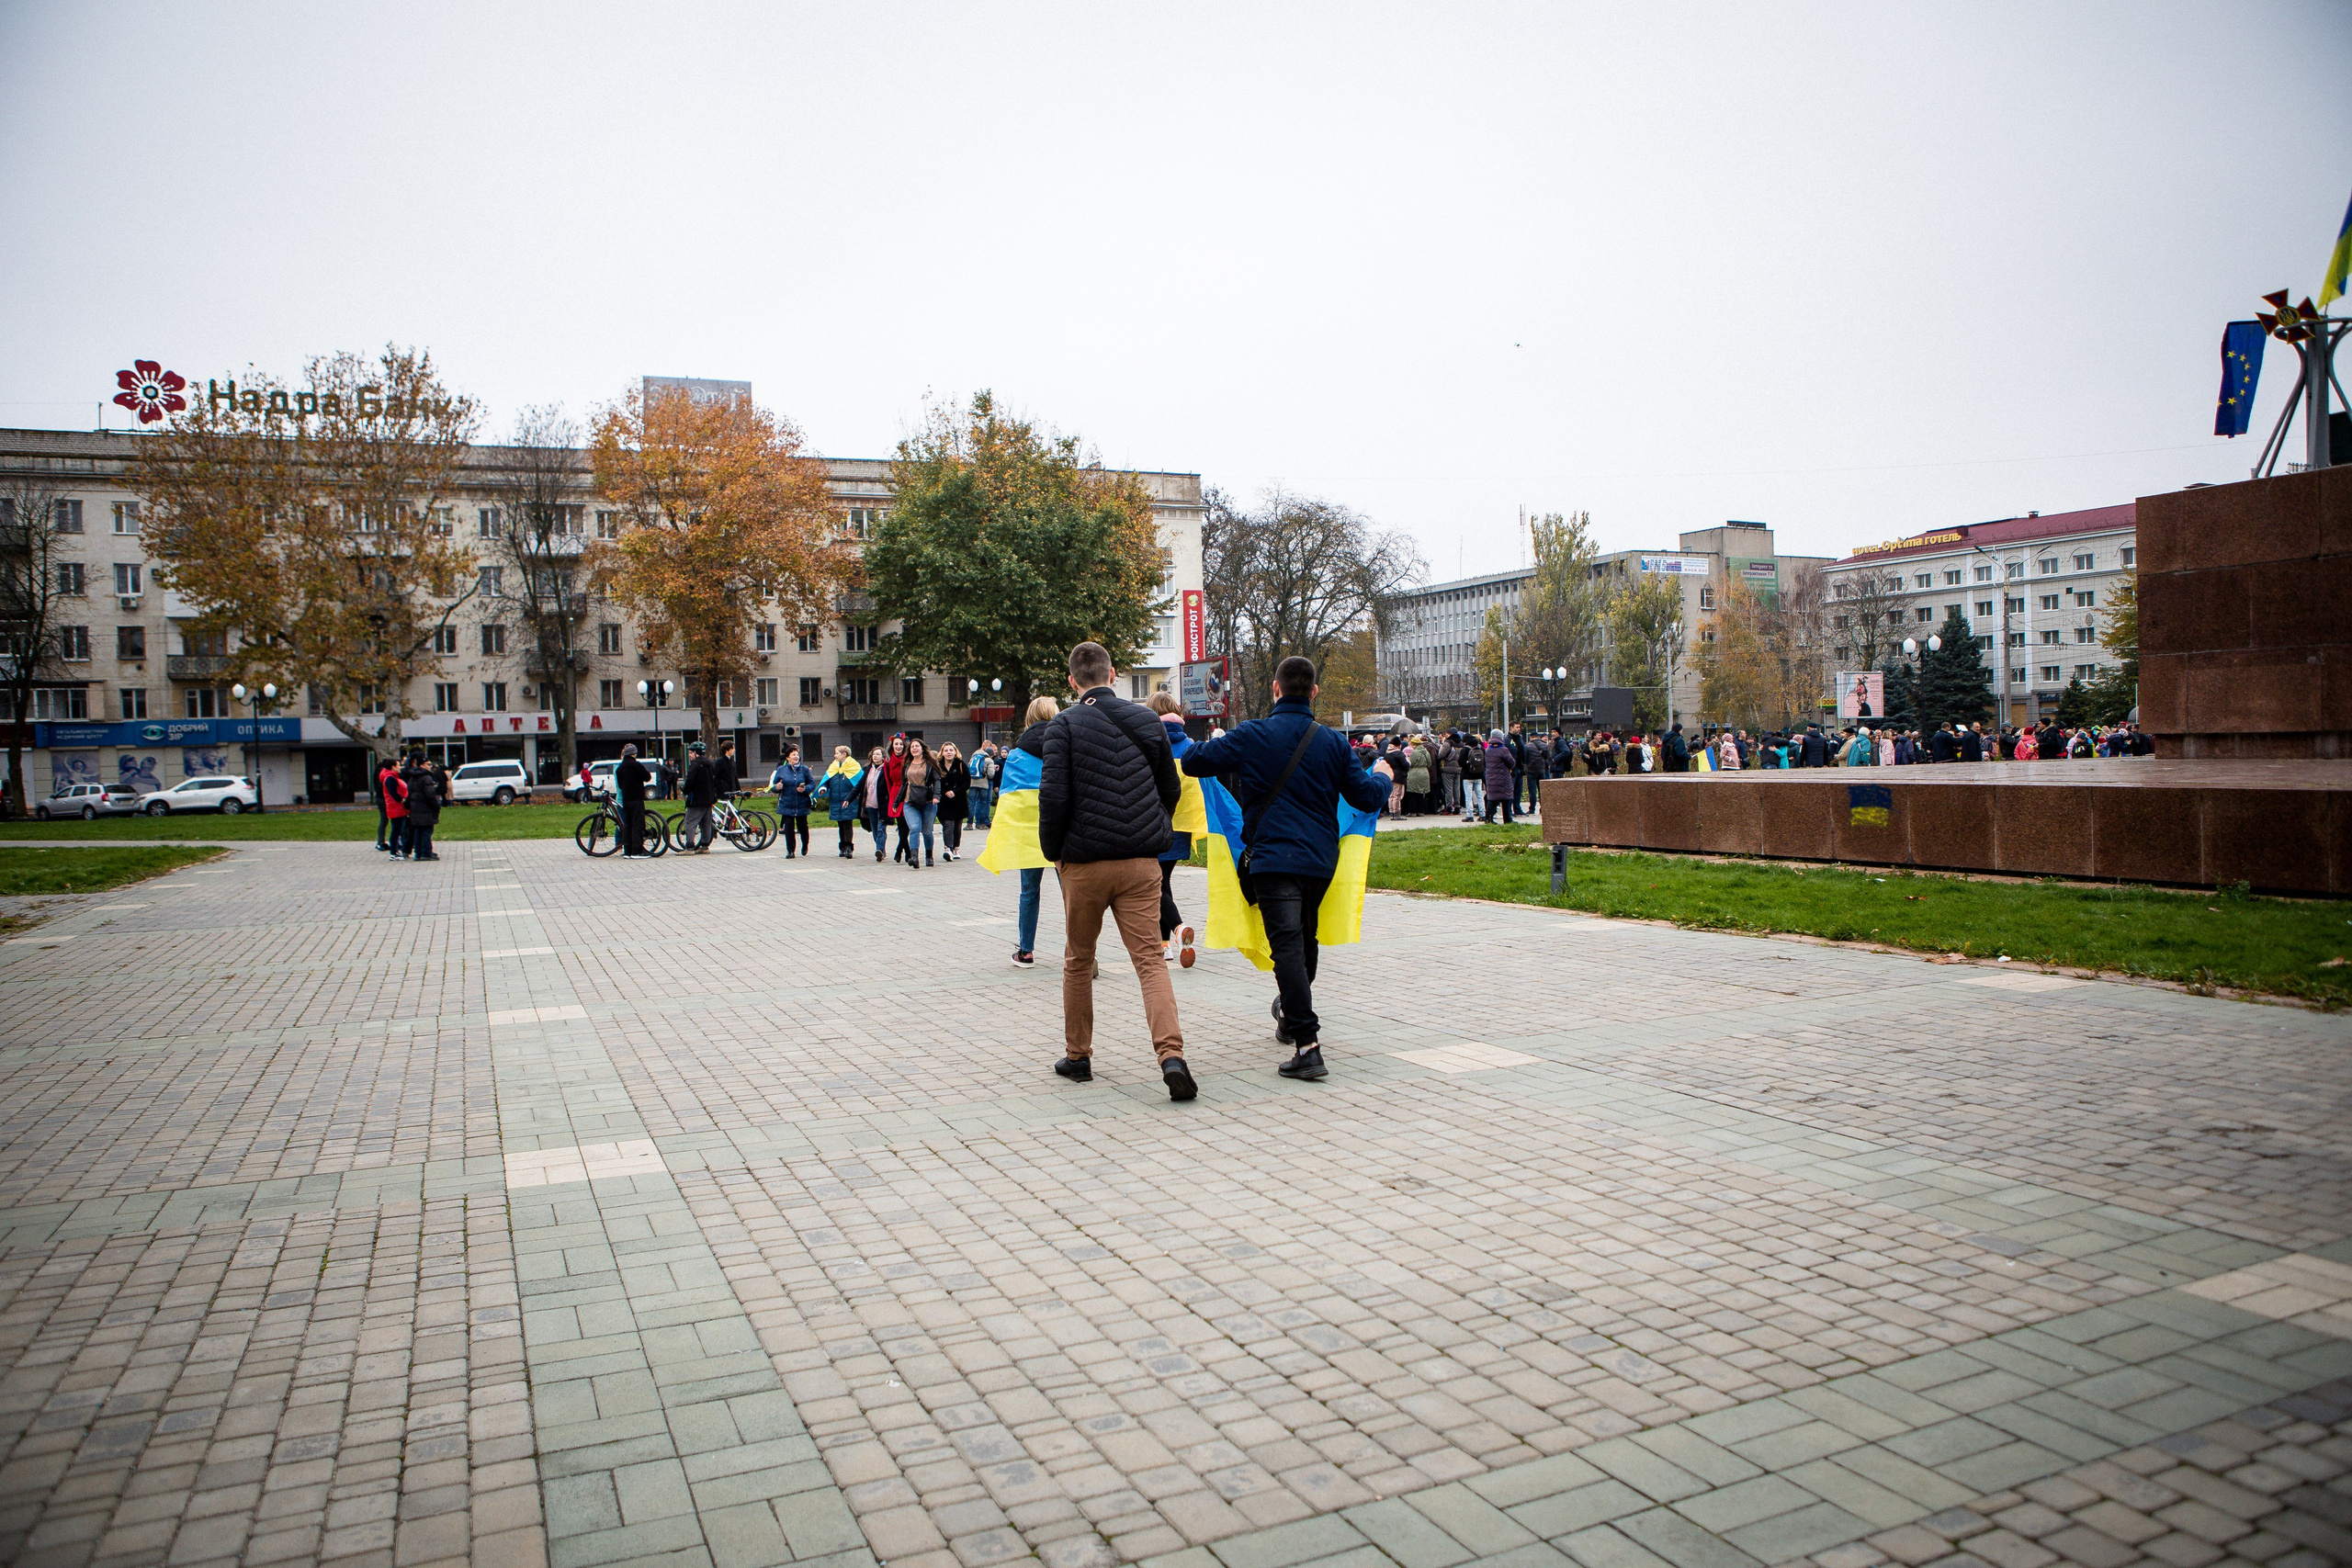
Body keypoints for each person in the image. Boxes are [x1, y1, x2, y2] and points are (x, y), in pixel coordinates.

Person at [1182, 656, 1392, 1083]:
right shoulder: (1333, 743)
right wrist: (1385, 775)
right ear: (1313, 692)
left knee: (1288, 949)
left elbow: (1194, 762)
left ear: (1275, 689)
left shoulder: (1254, 734)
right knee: (1303, 941)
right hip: (1318, 862)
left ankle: (1308, 1046)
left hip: (1273, 860)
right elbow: (1368, 797)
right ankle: (1290, 1018)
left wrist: (1176, 731)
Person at [1038, 643, 1191, 1100]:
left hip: (1083, 862)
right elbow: (1170, 787)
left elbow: (1054, 798)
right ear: (1115, 673)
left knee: (1078, 960)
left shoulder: (1062, 725)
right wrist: (1154, 828)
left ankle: (1079, 1056)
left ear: (1072, 681)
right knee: (1149, 961)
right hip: (1142, 863)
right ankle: (1172, 1057)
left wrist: (1055, 854)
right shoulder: (1147, 720)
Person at [980, 696, 1059, 966]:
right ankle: (1084, 950)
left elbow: (1008, 799)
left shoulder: (1015, 755)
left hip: (1030, 836)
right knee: (1073, 893)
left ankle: (1026, 951)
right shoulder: (1064, 748)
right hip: (1062, 831)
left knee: (1029, 892)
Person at [1146, 691, 1199, 967]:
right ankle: (1163, 944)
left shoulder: (1150, 742)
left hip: (1155, 824)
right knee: (1163, 881)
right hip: (1182, 827)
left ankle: (1177, 929)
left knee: (1157, 884)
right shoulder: (1189, 745)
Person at [899, 737, 939, 868]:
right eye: (912, 747)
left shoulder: (930, 763)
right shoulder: (907, 764)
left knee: (927, 831)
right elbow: (904, 784)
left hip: (928, 801)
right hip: (910, 801)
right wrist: (897, 801)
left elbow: (937, 780)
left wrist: (936, 796)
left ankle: (929, 855)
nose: (914, 748)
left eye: (917, 746)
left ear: (922, 749)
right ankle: (914, 857)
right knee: (915, 828)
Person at [768, 745, 813, 858]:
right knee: (788, 828)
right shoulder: (781, 770)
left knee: (803, 827)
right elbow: (773, 786)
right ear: (788, 758)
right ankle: (791, 850)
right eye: (793, 755)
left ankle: (805, 844)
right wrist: (777, 787)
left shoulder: (805, 770)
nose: (796, 757)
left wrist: (804, 789)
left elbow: (812, 784)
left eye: (797, 755)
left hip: (801, 803)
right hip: (787, 803)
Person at [398, 749, 442, 862]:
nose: (431, 766)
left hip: (415, 808)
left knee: (417, 831)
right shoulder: (426, 778)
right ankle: (426, 853)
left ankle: (418, 853)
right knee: (427, 831)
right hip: (425, 808)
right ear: (422, 765)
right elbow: (430, 795)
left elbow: (408, 793)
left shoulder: (412, 777)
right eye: (428, 764)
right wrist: (436, 806)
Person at [679, 741, 717, 852]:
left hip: (696, 799)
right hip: (709, 798)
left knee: (690, 822)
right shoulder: (710, 764)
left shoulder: (695, 765)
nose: (689, 755)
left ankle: (690, 847)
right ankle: (705, 846)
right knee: (706, 823)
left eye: (691, 753)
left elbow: (690, 781)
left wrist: (685, 791)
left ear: (696, 753)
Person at [615, 743, 652, 856]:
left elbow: (620, 785)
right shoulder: (636, 765)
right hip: (637, 798)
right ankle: (637, 851)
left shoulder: (619, 768)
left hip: (626, 799)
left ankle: (628, 851)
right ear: (634, 753)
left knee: (628, 825)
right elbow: (647, 777)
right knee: (638, 824)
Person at [936, 740, 970, 861]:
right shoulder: (938, 765)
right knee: (948, 825)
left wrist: (955, 792)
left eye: (951, 750)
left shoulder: (961, 765)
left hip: (958, 800)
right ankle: (947, 848)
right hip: (944, 801)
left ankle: (956, 848)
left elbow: (967, 783)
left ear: (955, 752)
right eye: (946, 750)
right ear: (942, 753)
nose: (949, 752)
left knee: (957, 826)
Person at [860, 745, 891, 860]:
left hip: (883, 804)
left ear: (883, 756)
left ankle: (880, 850)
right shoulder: (867, 769)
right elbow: (860, 785)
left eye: (878, 754)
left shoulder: (886, 769)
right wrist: (849, 799)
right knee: (874, 829)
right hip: (870, 804)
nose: (875, 756)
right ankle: (881, 849)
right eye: (873, 754)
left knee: (881, 828)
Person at [1481, 728, 1515, 824]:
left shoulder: (1488, 750)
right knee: (1506, 799)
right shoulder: (1503, 750)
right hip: (1503, 778)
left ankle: (1488, 819)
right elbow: (1511, 763)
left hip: (1491, 778)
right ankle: (1508, 819)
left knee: (1492, 799)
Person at [381, 755, 411, 858]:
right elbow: (393, 793)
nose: (400, 767)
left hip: (397, 807)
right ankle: (394, 852)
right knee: (396, 831)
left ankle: (396, 850)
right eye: (398, 765)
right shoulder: (390, 778)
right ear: (393, 767)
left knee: (398, 830)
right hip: (396, 808)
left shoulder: (393, 777)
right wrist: (402, 800)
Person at [967, 742, 994, 829]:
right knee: (983, 803)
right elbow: (991, 774)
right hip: (983, 784)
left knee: (971, 803)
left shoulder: (973, 757)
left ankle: (969, 823)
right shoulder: (988, 760)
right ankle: (981, 824)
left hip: (972, 784)